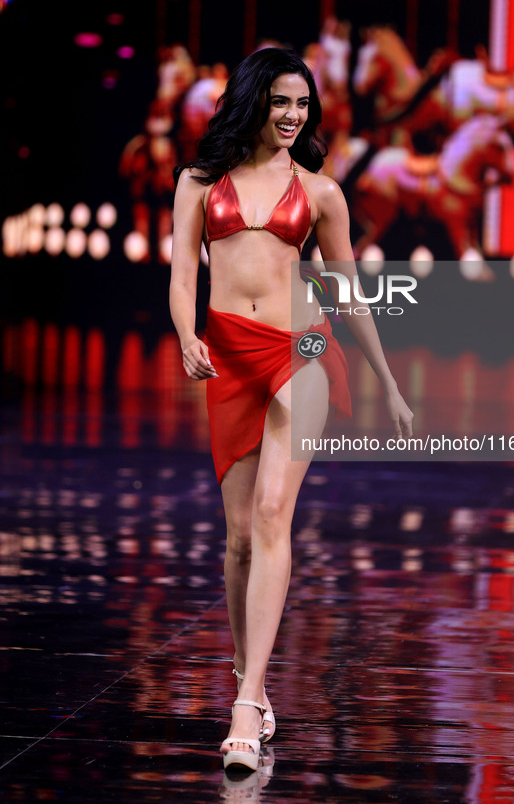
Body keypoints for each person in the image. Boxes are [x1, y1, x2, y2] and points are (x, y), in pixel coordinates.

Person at [169, 48, 413, 772]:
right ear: (253, 99)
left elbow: (347, 294)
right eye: (280, 101)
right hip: (229, 356)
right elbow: (184, 272)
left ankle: (244, 702)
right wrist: (186, 333)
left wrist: (390, 382)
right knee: (239, 535)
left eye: (302, 104)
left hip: (300, 347)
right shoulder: (198, 182)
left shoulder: (320, 192)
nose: (292, 115)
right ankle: (255, 672)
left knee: (274, 515)